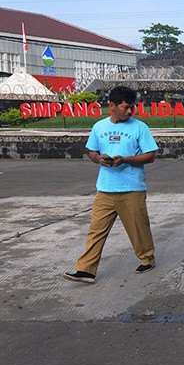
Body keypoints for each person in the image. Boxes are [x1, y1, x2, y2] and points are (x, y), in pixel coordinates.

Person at [64, 86, 159, 284]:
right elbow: (92, 152)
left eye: (132, 107)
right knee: (96, 231)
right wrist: (99, 158)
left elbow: (150, 156)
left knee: (138, 229)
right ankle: (86, 270)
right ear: (112, 106)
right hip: (105, 190)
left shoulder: (139, 127)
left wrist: (125, 159)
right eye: (125, 107)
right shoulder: (99, 127)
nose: (130, 111)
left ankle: (147, 259)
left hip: (131, 189)